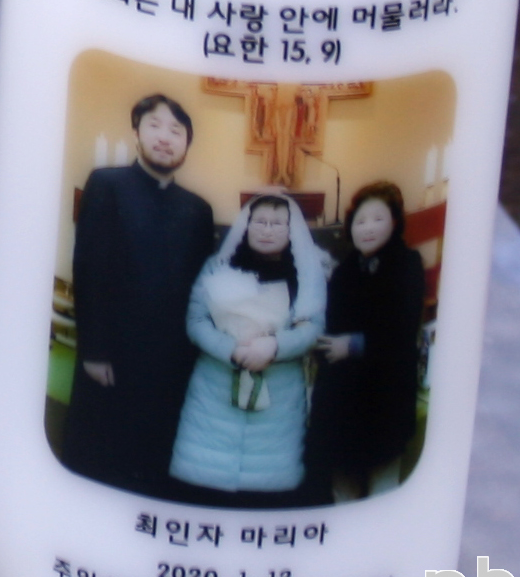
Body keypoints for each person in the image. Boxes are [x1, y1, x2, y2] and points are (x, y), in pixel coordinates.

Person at [60, 92, 219, 498]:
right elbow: (89, 269)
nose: (165, 137)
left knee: (155, 470)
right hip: (112, 358)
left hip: (170, 364)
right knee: (99, 468)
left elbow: (202, 288)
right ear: (136, 133)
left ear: (187, 144)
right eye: (154, 125)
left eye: (176, 131)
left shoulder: (198, 211)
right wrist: (95, 351)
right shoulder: (107, 185)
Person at [171, 190, 330, 505]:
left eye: (277, 223)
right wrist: (231, 349)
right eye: (260, 221)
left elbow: (313, 326)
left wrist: (274, 345)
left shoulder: (306, 273)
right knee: (206, 495)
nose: (267, 229)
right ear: (246, 224)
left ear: (291, 229)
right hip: (214, 395)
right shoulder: (218, 266)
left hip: (278, 401)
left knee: (263, 499)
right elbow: (196, 321)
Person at [308, 180, 429, 499]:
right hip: (342, 403)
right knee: (342, 489)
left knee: (382, 490)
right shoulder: (343, 272)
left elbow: (402, 331)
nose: (368, 228)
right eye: (360, 221)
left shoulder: (407, 265)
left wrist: (352, 345)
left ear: (395, 222)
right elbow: (330, 328)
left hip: (384, 400)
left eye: (378, 219)